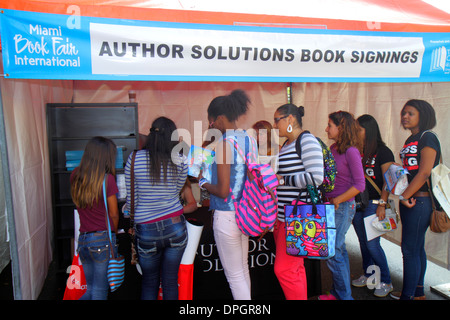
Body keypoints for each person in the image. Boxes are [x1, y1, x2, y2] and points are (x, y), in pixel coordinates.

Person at [198, 89, 255, 300]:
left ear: (220, 118)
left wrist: (203, 182)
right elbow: (251, 177)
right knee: (243, 270)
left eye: (211, 122)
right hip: (247, 214)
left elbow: (222, 191)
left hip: (226, 215)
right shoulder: (250, 140)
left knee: (235, 277)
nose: (211, 126)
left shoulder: (224, 145)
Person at [124, 116, 189, 300]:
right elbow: (177, 190)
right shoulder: (181, 159)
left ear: (151, 135)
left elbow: (131, 198)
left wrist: (128, 211)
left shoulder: (135, 158)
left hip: (146, 229)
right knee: (170, 281)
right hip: (175, 226)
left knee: (149, 281)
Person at [272, 103, 324, 300]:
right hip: (284, 217)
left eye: (277, 120)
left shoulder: (307, 141)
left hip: (297, 216)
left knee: (285, 270)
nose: (275, 125)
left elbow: (316, 178)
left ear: (291, 119)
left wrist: (284, 180)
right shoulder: (287, 145)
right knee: (294, 269)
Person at [390, 100, 441, 300]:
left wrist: (405, 196)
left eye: (410, 113)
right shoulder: (411, 139)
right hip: (411, 200)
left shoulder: (428, 137)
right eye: (404, 113)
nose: (405, 116)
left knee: (409, 250)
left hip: (419, 201)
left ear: (423, 115)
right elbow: (412, 171)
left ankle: (408, 295)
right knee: (416, 247)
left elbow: (425, 172)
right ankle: (417, 292)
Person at [320, 111, 365, 300]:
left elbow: (360, 184)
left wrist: (338, 200)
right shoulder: (333, 148)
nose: (326, 128)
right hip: (332, 206)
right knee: (338, 250)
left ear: (342, 127)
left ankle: (345, 297)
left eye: (330, 125)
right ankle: (339, 293)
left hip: (342, 207)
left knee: (333, 251)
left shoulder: (351, 151)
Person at [70, 136, 119, 300]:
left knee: (90, 289)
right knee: (99, 291)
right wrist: (114, 233)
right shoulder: (107, 180)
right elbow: (113, 213)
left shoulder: (75, 175)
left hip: (83, 240)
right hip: (102, 240)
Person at [352, 114, 394, 297]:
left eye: (359, 129)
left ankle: (386, 280)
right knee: (363, 243)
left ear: (368, 130)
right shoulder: (356, 150)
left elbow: (388, 180)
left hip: (375, 202)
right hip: (358, 203)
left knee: (372, 245)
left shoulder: (383, 151)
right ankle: (370, 276)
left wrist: (382, 204)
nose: (356, 132)